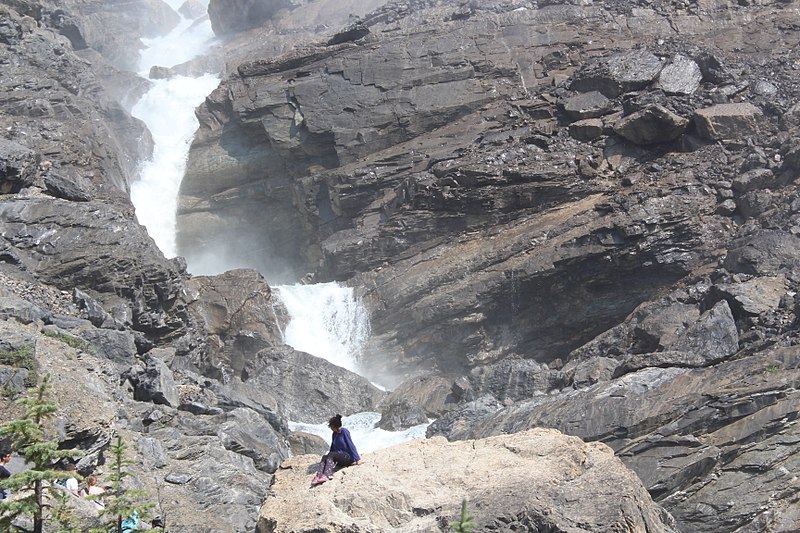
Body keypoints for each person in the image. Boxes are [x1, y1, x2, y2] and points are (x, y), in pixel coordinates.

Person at [311, 414, 363, 486]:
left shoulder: (344, 432)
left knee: (331, 454)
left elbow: (350, 445)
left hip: (347, 457)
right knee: (324, 457)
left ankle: (327, 474)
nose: (330, 428)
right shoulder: (334, 434)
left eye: (331, 426)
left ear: (335, 426)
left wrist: (357, 459)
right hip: (340, 456)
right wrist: (328, 457)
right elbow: (333, 446)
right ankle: (319, 475)